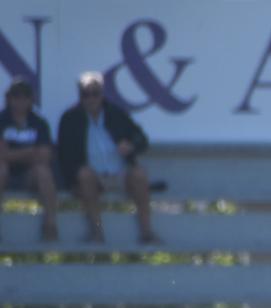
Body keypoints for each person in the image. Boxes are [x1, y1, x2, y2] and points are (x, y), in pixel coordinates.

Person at [56, 71, 158, 244]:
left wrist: (131, 145)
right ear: (80, 96)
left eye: (95, 94)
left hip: (120, 173)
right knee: (84, 176)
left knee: (140, 174)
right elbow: (65, 156)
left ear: (102, 94)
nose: (91, 99)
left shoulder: (116, 114)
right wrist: (71, 182)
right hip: (93, 177)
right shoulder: (70, 119)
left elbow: (142, 139)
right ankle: (97, 232)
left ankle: (147, 233)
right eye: (86, 95)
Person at [0, 78, 58, 241]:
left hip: (29, 176)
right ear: (9, 99)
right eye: (15, 96)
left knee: (43, 172)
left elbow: (45, 156)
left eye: (24, 96)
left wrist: (12, 154)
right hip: (5, 174)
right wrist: (30, 152)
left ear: (31, 99)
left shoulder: (39, 123)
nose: (20, 101)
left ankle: (50, 225)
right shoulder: (2, 121)